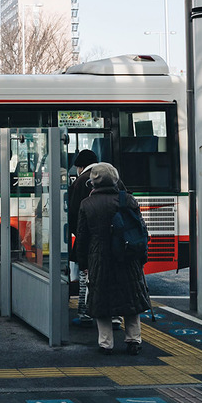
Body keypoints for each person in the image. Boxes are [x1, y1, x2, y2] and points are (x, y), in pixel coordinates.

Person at [74, 161, 152, 356]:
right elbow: (141, 231)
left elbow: (82, 237)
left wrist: (83, 263)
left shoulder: (87, 204)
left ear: (93, 183)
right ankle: (134, 340)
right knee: (130, 298)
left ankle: (106, 343)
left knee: (102, 300)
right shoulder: (128, 200)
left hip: (99, 257)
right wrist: (142, 257)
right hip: (127, 257)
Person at [67, 149, 99, 323]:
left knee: (84, 274)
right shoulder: (112, 178)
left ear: (80, 166)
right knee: (108, 276)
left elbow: (73, 213)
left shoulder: (80, 182)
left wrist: (76, 233)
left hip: (86, 237)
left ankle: (85, 312)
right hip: (108, 238)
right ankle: (115, 316)